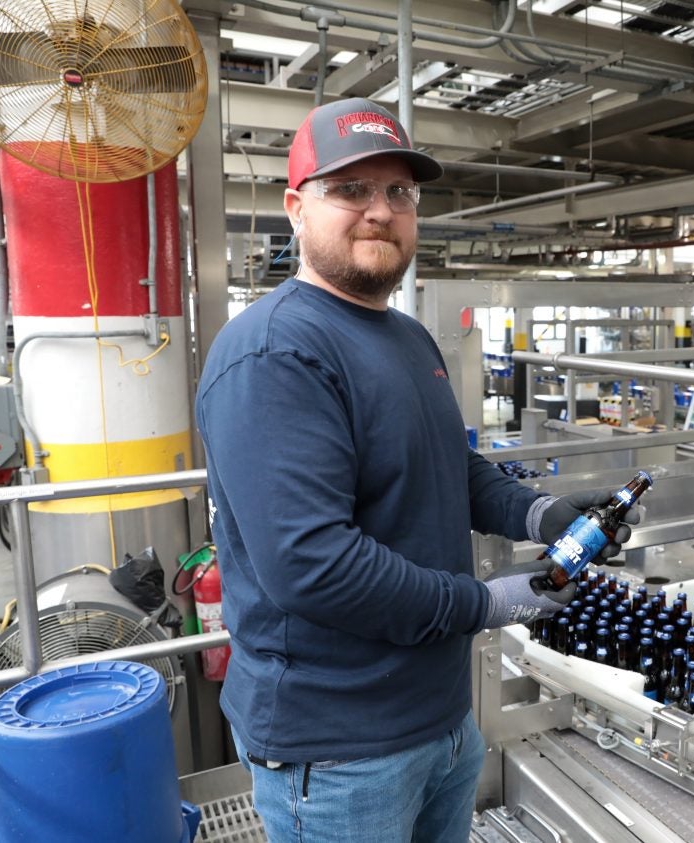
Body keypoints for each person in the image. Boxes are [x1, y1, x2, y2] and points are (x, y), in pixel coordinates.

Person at [194, 98, 639, 842]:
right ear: (295, 209)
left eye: (398, 192)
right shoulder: (274, 352)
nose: (380, 210)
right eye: (352, 189)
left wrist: (542, 515)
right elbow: (314, 564)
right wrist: (487, 602)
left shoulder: (408, 337)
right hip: (337, 751)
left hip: (439, 718)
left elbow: (451, 470)